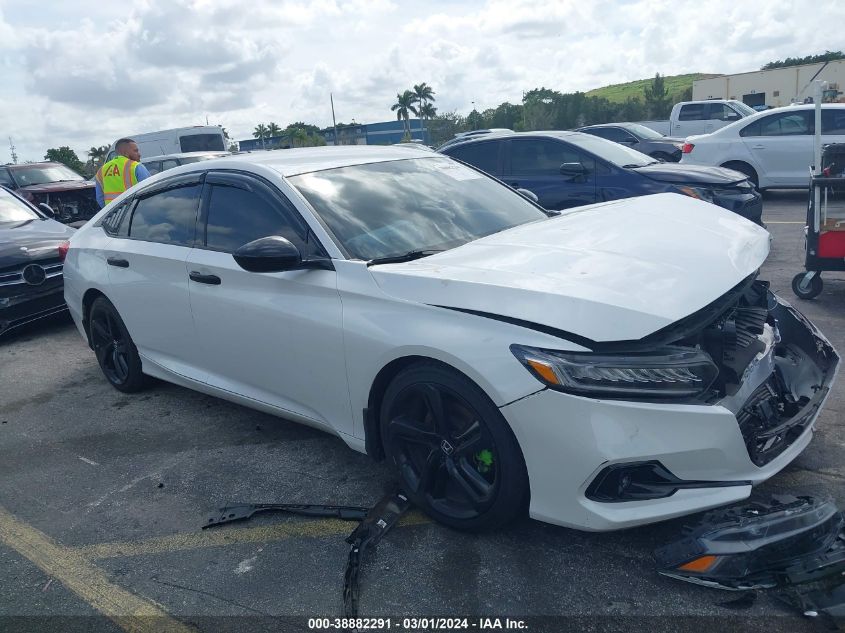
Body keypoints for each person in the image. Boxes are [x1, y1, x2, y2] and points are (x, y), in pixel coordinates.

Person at [94, 138, 151, 208]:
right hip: (135, 213)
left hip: (114, 216)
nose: (139, 154)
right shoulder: (136, 167)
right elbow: (149, 192)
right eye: (135, 151)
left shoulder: (101, 171)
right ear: (125, 152)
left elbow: (100, 199)